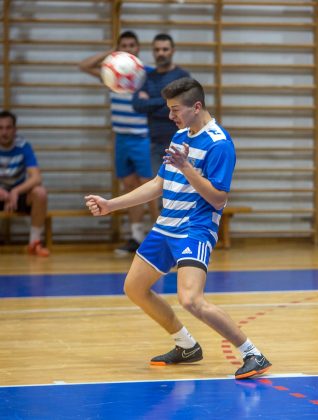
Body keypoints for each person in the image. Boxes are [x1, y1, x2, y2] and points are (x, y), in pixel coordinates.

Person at [85, 77, 271, 379]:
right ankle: (186, 345)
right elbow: (159, 183)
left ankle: (253, 354)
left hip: (195, 228)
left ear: (196, 107)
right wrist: (111, 205)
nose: (170, 115)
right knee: (134, 288)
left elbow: (218, 197)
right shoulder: (181, 135)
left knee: (191, 300)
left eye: (175, 109)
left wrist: (187, 168)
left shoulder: (219, 144)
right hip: (165, 226)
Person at [79, 30, 156, 255]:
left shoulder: (147, 73)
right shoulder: (110, 74)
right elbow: (84, 66)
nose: (128, 49)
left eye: (132, 45)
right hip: (121, 138)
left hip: (142, 137)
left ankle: (160, 238)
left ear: (138, 48)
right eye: (124, 45)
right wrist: (111, 53)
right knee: (129, 186)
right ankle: (136, 236)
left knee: (150, 188)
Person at [132, 33, 190, 177]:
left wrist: (151, 103)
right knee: (159, 187)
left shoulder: (182, 76)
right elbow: (138, 105)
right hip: (155, 143)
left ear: (173, 51)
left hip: (179, 143)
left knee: (179, 186)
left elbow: (182, 108)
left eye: (165, 49)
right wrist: (168, 101)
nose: (161, 53)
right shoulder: (148, 77)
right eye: (157, 50)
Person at [0, 110, 50, 257]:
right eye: (0, 128)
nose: (4, 132)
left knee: (40, 193)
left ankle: (34, 243)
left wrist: (15, 191)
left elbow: (36, 177)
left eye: (8, 127)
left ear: (15, 129)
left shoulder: (23, 146)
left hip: (18, 195)